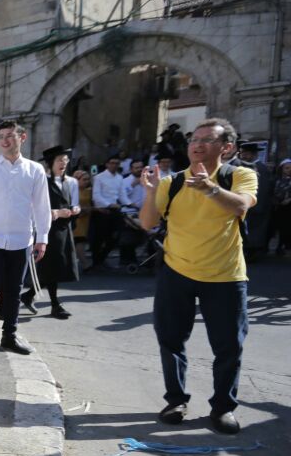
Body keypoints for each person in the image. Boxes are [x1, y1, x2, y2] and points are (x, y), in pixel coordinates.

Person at [137, 118, 256, 435]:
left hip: (226, 276)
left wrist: (210, 189)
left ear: (226, 148)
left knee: (229, 346)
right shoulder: (172, 183)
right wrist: (150, 193)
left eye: (207, 139)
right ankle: (175, 400)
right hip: (177, 271)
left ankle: (222, 408)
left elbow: (241, 206)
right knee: (171, 340)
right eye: (194, 139)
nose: (197, 144)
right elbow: (148, 223)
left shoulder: (239, 176)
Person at [0, 120, 51, 355]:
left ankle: (9, 336)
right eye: (1, 136)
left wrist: (42, 237)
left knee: (14, 292)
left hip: (21, 241)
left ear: (21, 138)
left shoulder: (34, 170)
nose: (4, 141)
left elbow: (41, 207)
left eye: (9, 136)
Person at [37, 145, 80, 318]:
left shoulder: (70, 182)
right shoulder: (43, 182)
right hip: (49, 229)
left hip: (65, 229)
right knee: (52, 265)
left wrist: (75, 209)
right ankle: (55, 304)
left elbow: (73, 202)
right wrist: (56, 213)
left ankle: (28, 294)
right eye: (59, 160)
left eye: (65, 160)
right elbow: (37, 208)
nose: (63, 163)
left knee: (57, 265)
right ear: (51, 163)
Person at [88, 157, 123, 269]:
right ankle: (96, 262)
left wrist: (131, 204)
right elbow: (96, 196)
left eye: (117, 163)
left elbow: (122, 195)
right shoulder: (99, 177)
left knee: (114, 237)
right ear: (107, 164)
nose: (114, 165)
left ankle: (101, 259)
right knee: (99, 238)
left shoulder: (120, 177)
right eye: (112, 163)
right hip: (102, 211)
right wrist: (109, 204)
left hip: (115, 210)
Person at [117, 158, 148, 269]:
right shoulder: (124, 181)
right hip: (130, 214)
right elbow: (121, 197)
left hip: (146, 213)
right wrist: (133, 185)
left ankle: (149, 261)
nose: (139, 170)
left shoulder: (149, 179)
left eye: (141, 167)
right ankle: (127, 260)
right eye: (136, 168)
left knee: (150, 236)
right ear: (131, 169)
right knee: (129, 238)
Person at [274, 159, 291, 255]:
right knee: (280, 227)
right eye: (287, 168)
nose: (289, 170)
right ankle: (279, 246)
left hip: (289, 207)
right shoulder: (276, 180)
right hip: (279, 208)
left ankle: (285, 245)